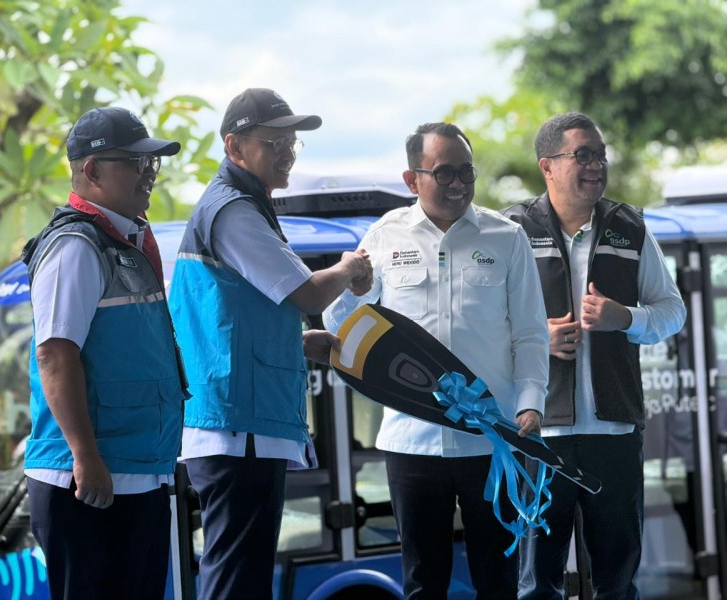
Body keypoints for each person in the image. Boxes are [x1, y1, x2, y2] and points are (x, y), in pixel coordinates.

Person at [323, 122, 550, 600]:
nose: (458, 184)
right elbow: (344, 325)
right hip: (411, 440)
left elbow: (530, 332)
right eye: (444, 173)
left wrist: (531, 401)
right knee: (424, 580)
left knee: (497, 577)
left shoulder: (506, 237)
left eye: (466, 172)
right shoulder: (384, 235)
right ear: (413, 180)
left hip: (492, 440)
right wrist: (355, 292)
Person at [167, 88, 373, 600]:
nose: (286, 152)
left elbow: (235, 318)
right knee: (238, 576)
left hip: (239, 418)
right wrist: (348, 266)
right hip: (237, 424)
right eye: (272, 142)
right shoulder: (233, 210)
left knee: (243, 570)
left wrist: (299, 343)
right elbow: (304, 291)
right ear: (235, 147)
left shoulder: (242, 206)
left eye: (292, 142)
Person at [503, 112, 687, 599]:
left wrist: (624, 317)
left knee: (617, 582)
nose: (595, 164)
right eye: (582, 154)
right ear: (547, 165)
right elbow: (480, 326)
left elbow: (672, 312)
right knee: (535, 583)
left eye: (599, 154)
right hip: (537, 435)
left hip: (615, 434)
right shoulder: (509, 231)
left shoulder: (631, 227)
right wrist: (535, 337)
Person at [21, 107, 188, 600]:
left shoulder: (123, 239)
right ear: (91, 171)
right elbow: (54, 355)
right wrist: (85, 456)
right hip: (89, 480)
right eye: (136, 163)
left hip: (134, 470)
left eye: (151, 164)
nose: (149, 175)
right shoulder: (76, 245)